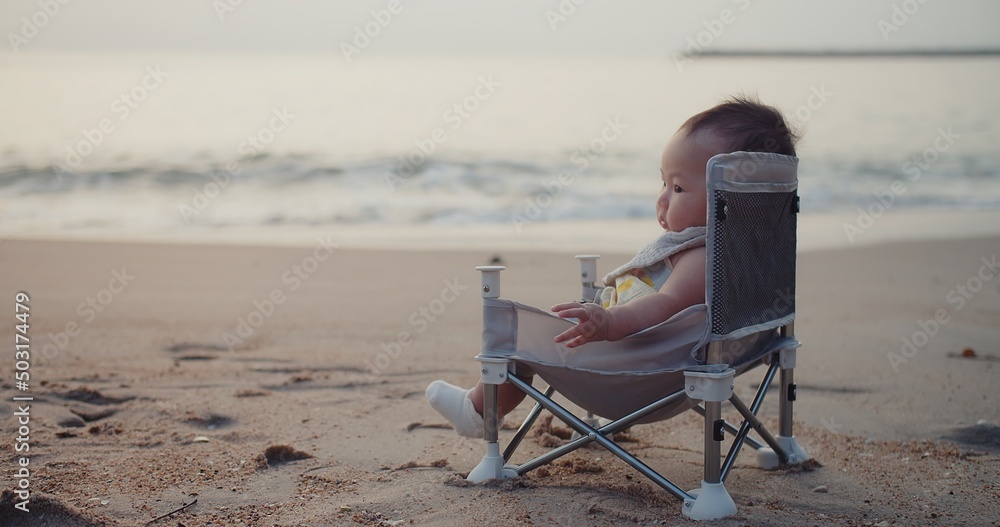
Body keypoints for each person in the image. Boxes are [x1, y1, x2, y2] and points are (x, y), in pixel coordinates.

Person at [426, 95, 798, 438]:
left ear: (728, 200)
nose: (662, 199)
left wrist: (611, 322)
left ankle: (475, 412)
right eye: (663, 183)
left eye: (679, 188)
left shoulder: (701, 260)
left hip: (635, 377)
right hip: (657, 366)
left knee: (517, 342)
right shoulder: (746, 262)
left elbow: (662, 305)